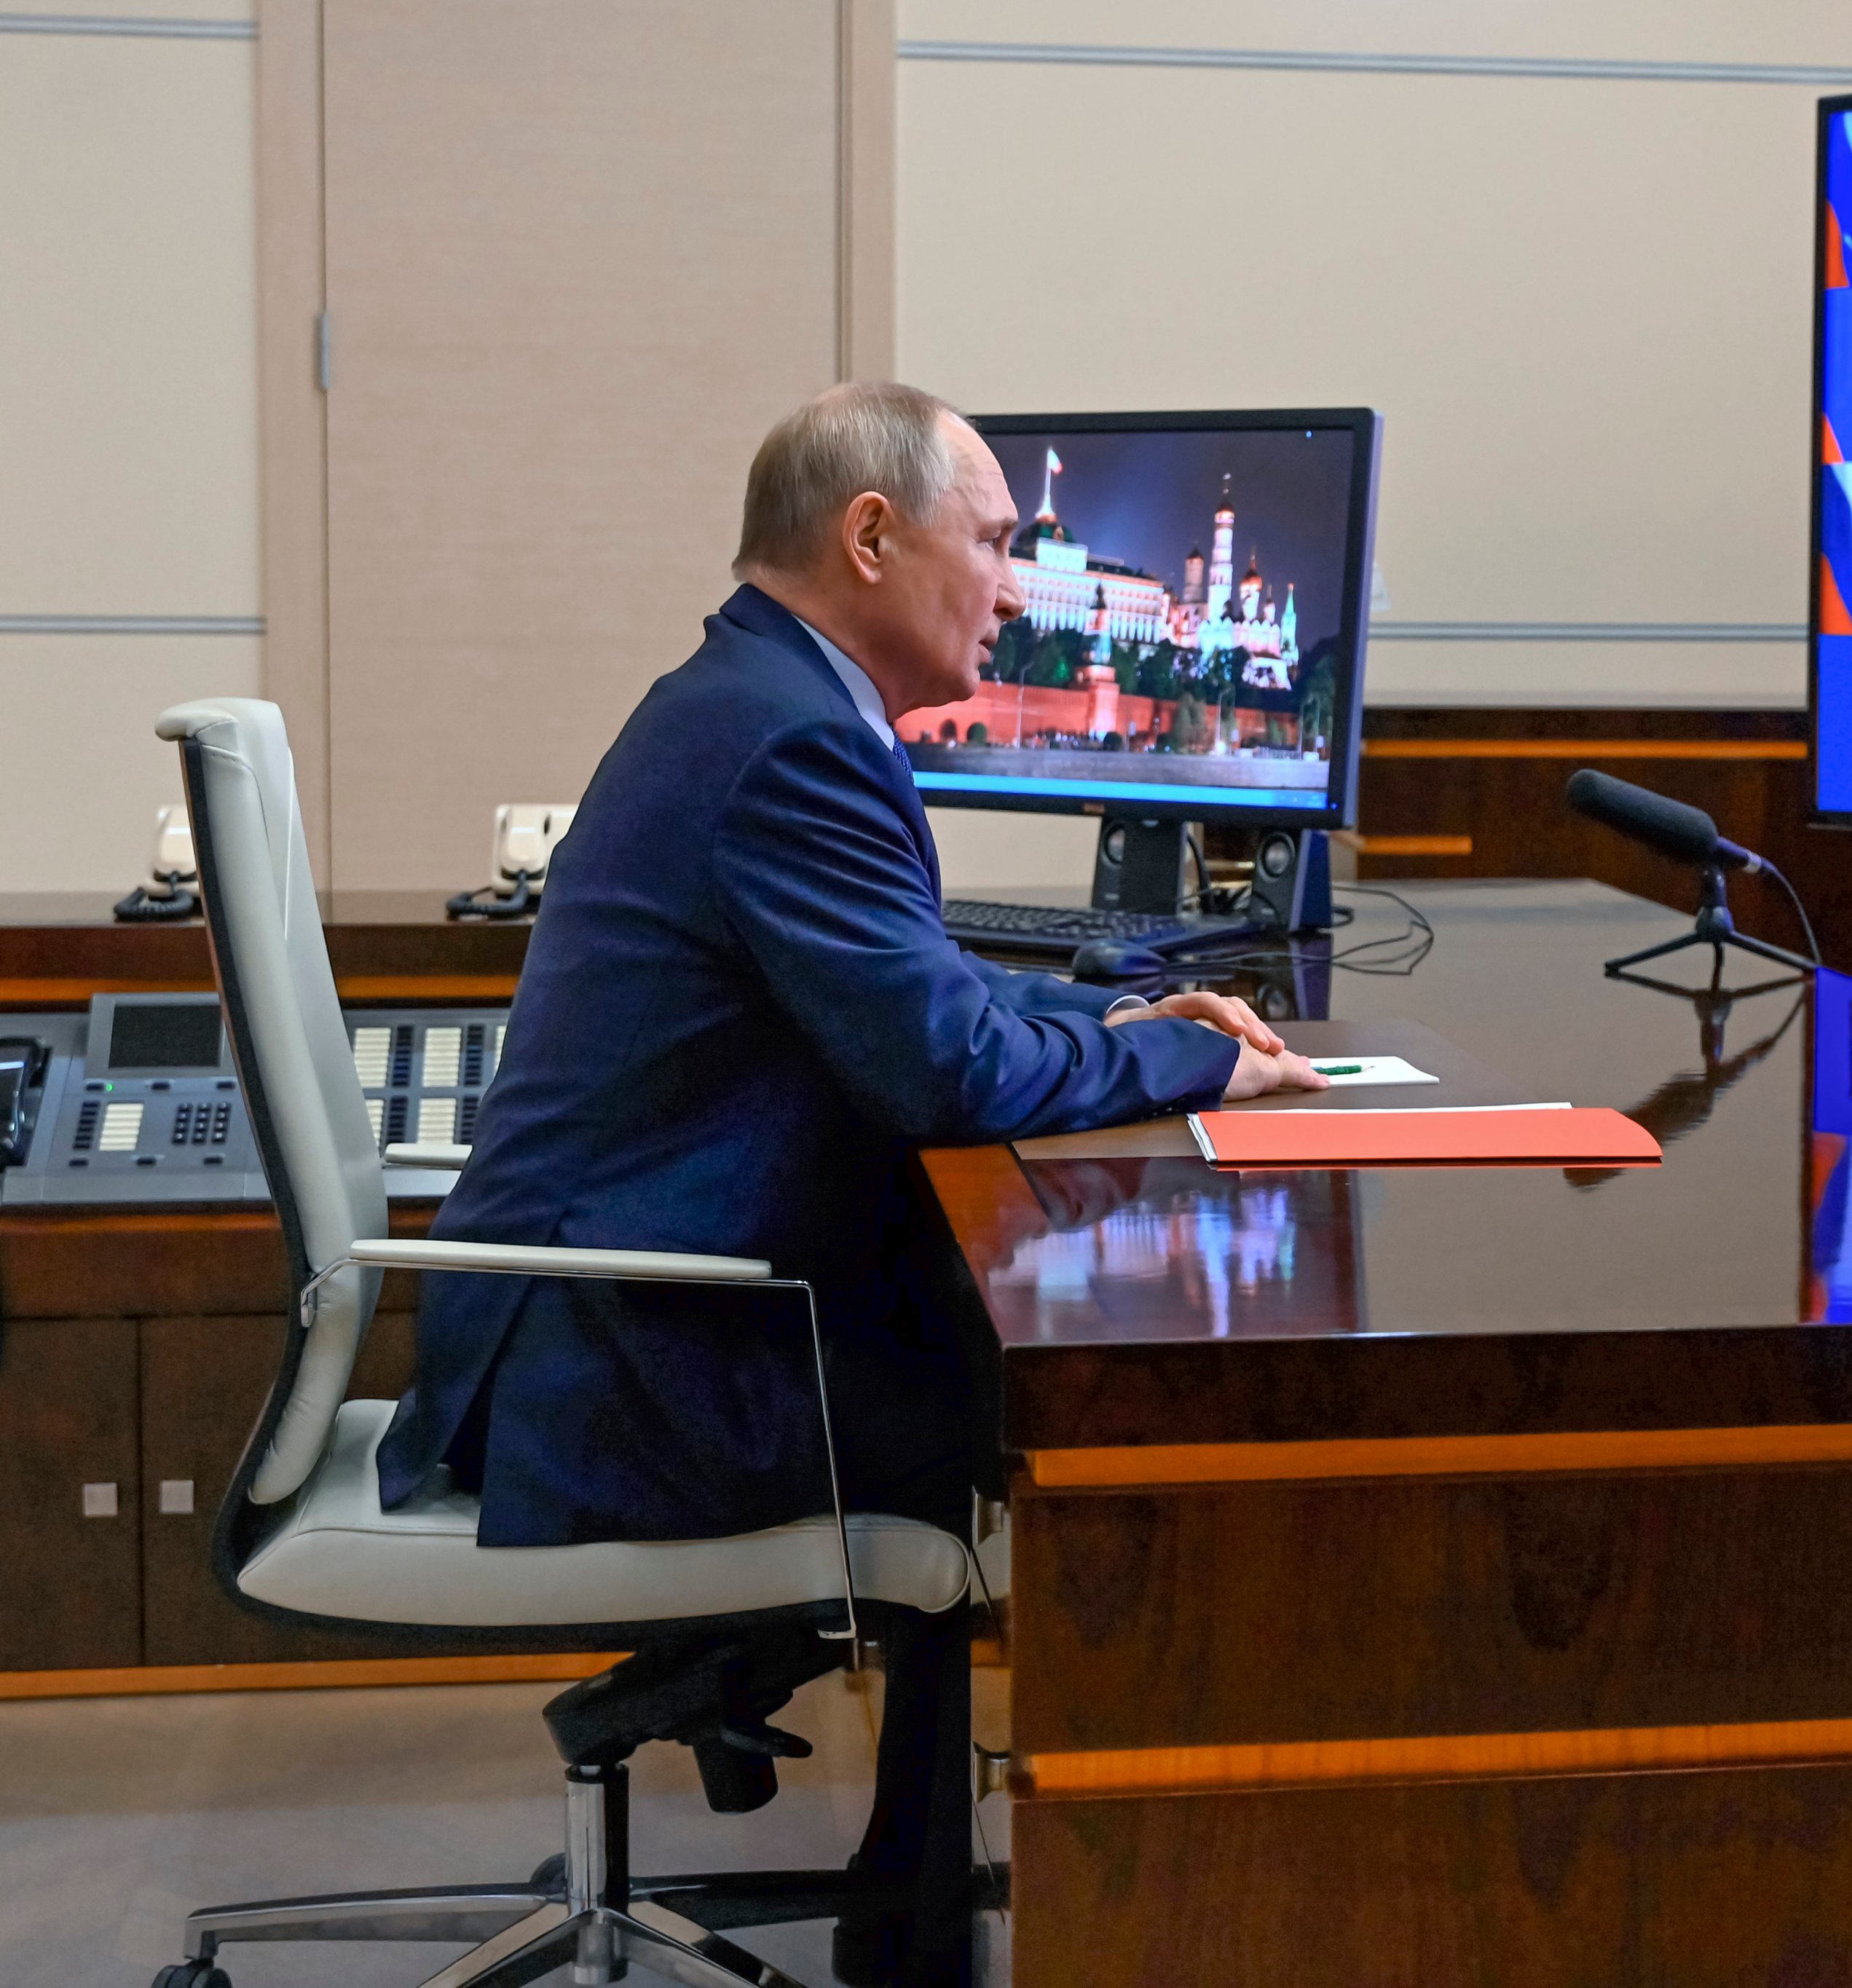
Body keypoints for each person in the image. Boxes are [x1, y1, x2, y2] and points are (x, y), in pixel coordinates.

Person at [373, 382, 1326, 1987]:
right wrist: (1199, 1063)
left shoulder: (754, 699)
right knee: (1025, 1400)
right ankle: (963, 1907)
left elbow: (920, 1000)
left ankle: (886, 1871)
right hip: (610, 1366)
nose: (1015, 586)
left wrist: (1117, 1017)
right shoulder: (793, 741)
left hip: (594, 1312)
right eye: (996, 541)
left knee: (963, 1338)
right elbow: (942, 1072)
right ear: (870, 538)